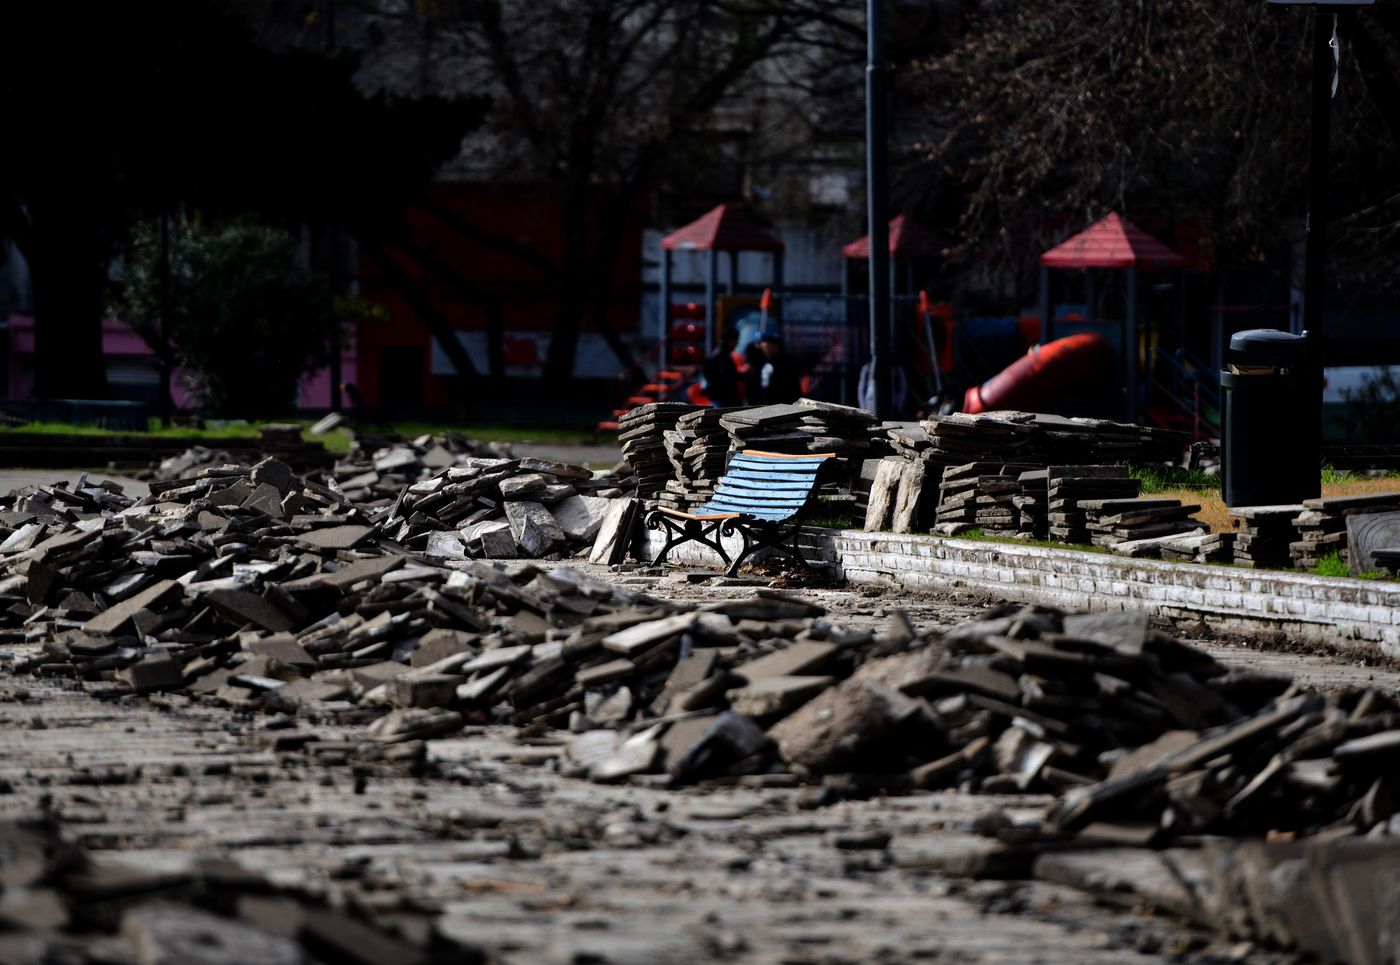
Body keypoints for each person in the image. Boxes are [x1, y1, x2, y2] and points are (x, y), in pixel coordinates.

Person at [757, 331, 802, 404]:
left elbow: (792, 387)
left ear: (775, 346)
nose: (765, 350)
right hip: (765, 404)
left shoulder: (787, 363)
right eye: (763, 348)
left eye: (767, 347)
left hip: (782, 404)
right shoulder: (763, 361)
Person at [700, 328, 741, 407]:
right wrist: (744, 375)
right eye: (736, 341)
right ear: (731, 341)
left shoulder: (715, 353)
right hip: (722, 397)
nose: (737, 344)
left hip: (717, 396)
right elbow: (727, 376)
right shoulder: (722, 356)